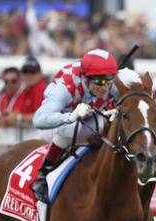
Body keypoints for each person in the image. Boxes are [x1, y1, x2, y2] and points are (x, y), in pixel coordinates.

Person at [30, 48, 120, 203]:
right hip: (56, 127)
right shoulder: (65, 85)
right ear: (85, 78)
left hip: (90, 120)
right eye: (100, 81)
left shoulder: (113, 83)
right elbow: (38, 119)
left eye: (109, 80)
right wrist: (71, 116)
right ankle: (43, 175)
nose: (105, 88)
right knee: (72, 128)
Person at [17, 55, 48, 125]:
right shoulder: (25, 90)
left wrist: (18, 118)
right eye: (25, 71)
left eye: (33, 71)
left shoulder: (41, 88)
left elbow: (41, 117)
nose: (28, 75)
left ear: (41, 74)